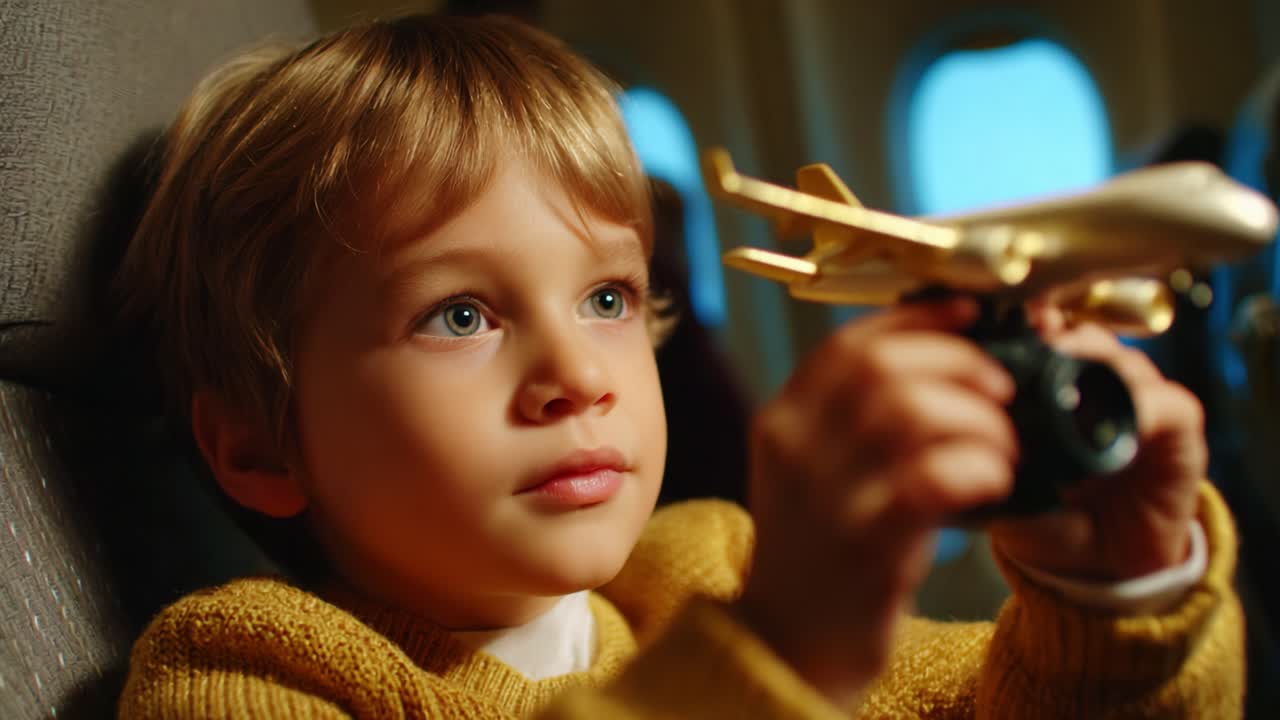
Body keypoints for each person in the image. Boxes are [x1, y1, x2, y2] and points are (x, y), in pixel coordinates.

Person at [113, 13, 1243, 718]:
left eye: (607, 297)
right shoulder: (246, 670)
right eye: (459, 315)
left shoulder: (705, 568)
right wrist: (774, 656)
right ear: (258, 445)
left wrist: (1112, 594)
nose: (578, 372)